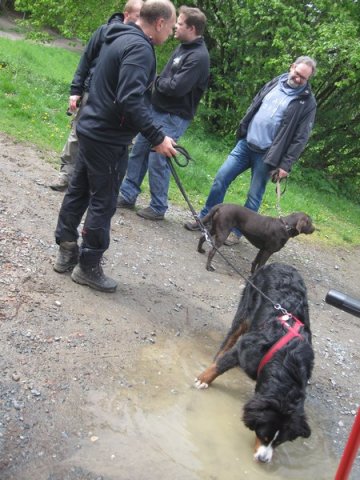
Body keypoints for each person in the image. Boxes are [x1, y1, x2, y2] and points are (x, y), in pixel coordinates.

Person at [53, 0, 177, 293]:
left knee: (79, 190)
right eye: (171, 26)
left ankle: (66, 249)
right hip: (108, 137)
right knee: (103, 200)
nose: (171, 33)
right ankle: (88, 266)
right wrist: (157, 137)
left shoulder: (117, 35)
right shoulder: (139, 48)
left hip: (92, 128)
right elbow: (130, 99)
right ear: (159, 22)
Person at [184, 56, 317, 245]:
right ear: (292, 67)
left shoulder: (307, 103)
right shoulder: (275, 82)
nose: (298, 79)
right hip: (246, 144)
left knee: (254, 196)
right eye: (296, 74)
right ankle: (205, 220)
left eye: (303, 78)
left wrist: (286, 164)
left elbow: (301, 137)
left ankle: (236, 233)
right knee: (221, 178)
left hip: (268, 155)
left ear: (308, 79)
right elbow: (256, 103)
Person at [118, 6, 210, 220]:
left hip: (173, 116)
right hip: (156, 110)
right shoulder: (183, 47)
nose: (175, 26)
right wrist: (161, 82)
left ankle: (158, 207)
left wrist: (156, 81)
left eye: (180, 23)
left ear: (192, 28)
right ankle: (128, 194)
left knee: (159, 158)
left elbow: (176, 87)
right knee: (139, 150)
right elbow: (169, 81)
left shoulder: (198, 57)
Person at [50, 0, 144, 192]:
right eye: (137, 17)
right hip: (89, 92)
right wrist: (75, 91)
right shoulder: (104, 32)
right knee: (76, 134)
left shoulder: (140, 42)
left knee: (102, 141)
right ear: (126, 15)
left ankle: (92, 182)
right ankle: (66, 175)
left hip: (114, 100)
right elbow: (85, 61)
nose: (141, 22)